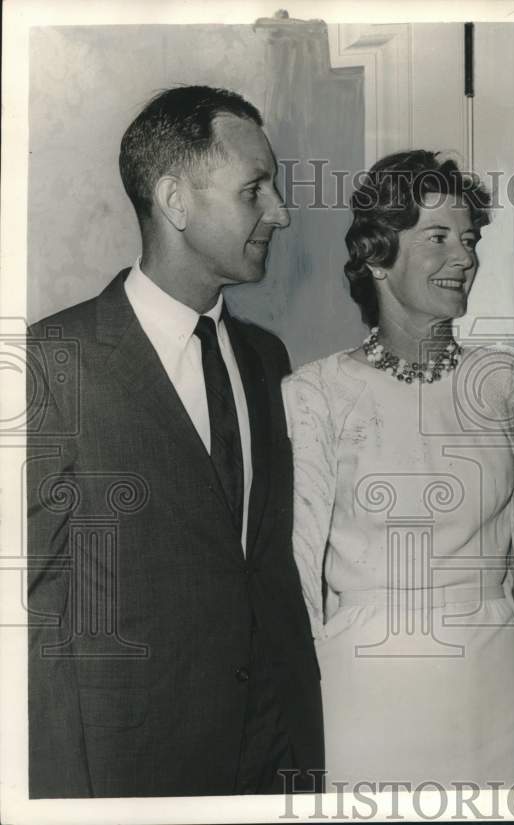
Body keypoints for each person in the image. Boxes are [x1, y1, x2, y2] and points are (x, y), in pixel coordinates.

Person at [27, 85, 323, 797]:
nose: (280, 212)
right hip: (132, 769)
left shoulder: (266, 359)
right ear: (176, 201)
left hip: (277, 760)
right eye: (255, 190)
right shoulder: (53, 360)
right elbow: (29, 614)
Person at [281, 149, 514, 787]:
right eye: (437, 238)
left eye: (470, 238)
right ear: (376, 256)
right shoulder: (315, 392)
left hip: (496, 681)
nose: (465, 257)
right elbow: (299, 572)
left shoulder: (510, 381)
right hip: (365, 687)